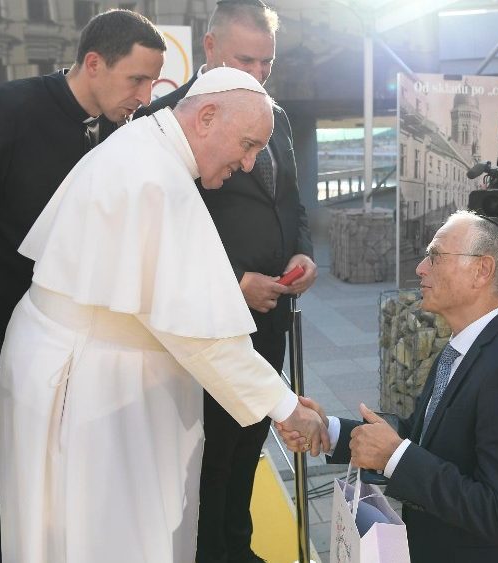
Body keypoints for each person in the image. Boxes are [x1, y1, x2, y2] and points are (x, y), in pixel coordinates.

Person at [0, 67, 328, 563]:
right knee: (107, 540)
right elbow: (201, 336)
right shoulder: (158, 178)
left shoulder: (146, 150)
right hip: (91, 384)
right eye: (247, 144)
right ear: (207, 117)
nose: (248, 162)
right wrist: (285, 406)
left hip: (81, 366)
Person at [0, 10, 166, 560]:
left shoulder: (124, 135)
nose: (145, 94)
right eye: (136, 79)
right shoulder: (6, 111)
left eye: (153, 81)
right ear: (92, 63)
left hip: (71, 348)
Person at [136, 1, 315, 560]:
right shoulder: (165, 122)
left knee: (249, 445)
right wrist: (234, 283)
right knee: (209, 456)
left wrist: (302, 251)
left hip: (271, 321)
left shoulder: (274, 116)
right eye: (247, 59)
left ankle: (237, 546)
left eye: (268, 63)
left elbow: (291, 201)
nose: (258, 74)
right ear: (209, 48)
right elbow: (156, 244)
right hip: (205, 327)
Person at [283, 211, 498, 562]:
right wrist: (329, 431)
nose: (421, 268)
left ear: (482, 271)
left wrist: (395, 456)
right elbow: (424, 437)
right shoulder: (464, 347)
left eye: (435, 255)